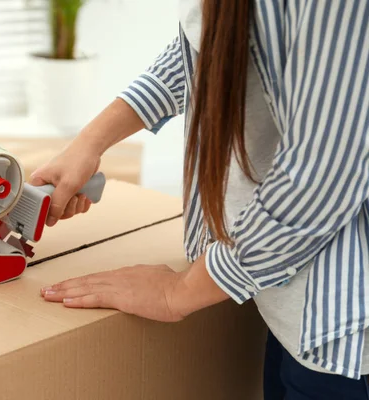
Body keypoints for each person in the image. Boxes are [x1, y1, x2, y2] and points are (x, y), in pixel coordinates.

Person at [29, 1, 369, 399]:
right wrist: (89, 143)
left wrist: (181, 292)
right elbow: (212, 46)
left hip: (345, 317)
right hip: (292, 298)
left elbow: (321, 177)